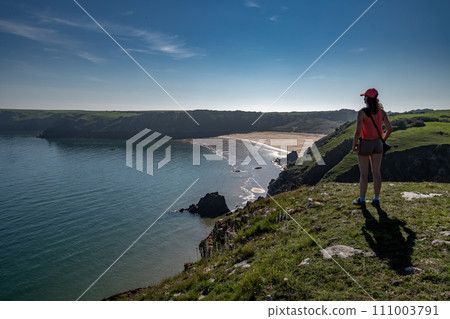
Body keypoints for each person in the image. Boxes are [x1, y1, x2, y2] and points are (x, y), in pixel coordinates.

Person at [352, 88, 392, 208]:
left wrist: (354, 144)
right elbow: (389, 129)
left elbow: (358, 131)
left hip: (365, 144)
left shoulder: (362, 112)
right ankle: (376, 199)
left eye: (364, 97)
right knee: (376, 173)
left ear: (367, 99)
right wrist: (382, 141)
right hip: (378, 144)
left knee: (364, 174)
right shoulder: (382, 112)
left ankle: (362, 200)